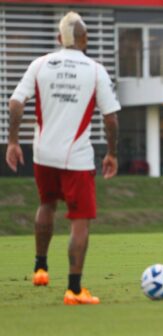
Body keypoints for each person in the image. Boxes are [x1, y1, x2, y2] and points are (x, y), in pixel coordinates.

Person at [5, 12, 120, 304]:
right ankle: (74, 288)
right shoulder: (94, 70)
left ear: (59, 39)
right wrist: (111, 153)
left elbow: (16, 104)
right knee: (79, 220)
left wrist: (14, 141)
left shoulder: (40, 64)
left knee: (46, 204)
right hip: (77, 157)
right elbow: (111, 119)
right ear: (85, 40)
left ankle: (40, 268)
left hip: (43, 153)